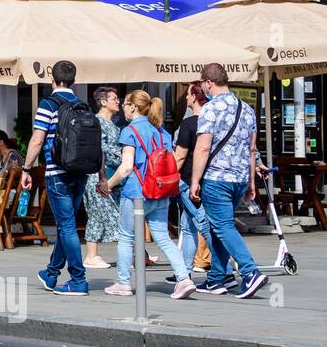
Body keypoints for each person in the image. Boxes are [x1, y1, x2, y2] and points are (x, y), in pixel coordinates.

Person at [99, 90, 194, 299]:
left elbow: (126, 168)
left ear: (133, 107)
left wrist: (108, 184)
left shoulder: (130, 131)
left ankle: (123, 283)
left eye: (125, 104)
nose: (123, 108)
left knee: (126, 238)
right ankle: (184, 279)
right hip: (161, 192)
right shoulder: (162, 132)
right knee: (163, 238)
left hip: (137, 192)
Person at [189, 64, 268, 299]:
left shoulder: (210, 109)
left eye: (203, 83)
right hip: (239, 178)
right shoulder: (247, 109)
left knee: (223, 227)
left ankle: (250, 271)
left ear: (208, 83)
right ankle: (217, 278)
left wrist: (195, 180)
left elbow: (203, 148)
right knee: (217, 227)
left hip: (216, 177)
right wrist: (251, 182)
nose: (203, 87)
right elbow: (251, 149)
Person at [22, 60, 89, 295]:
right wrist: (100, 175)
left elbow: (37, 139)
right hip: (81, 173)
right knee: (65, 225)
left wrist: (26, 169)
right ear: (75, 81)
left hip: (57, 173)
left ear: (52, 80)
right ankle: (51, 273)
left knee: (67, 226)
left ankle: (79, 280)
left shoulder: (48, 104)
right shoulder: (83, 105)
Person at [170, 81, 216, 281]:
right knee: (188, 227)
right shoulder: (214, 121)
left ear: (195, 97)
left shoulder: (190, 123)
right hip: (208, 178)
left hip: (189, 180)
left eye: (188, 94)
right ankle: (184, 273)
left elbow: (180, 156)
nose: (186, 98)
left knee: (202, 223)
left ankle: (226, 269)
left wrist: (168, 175)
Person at [81, 87, 121, 270]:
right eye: (114, 98)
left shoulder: (112, 125)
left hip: (111, 173)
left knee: (118, 212)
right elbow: (99, 149)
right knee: (97, 213)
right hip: (97, 174)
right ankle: (91, 255)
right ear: (103, 102)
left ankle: (136, 252)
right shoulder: (97, 122)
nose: (118, 101)